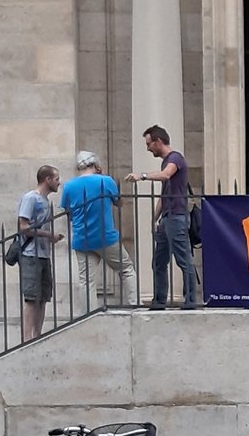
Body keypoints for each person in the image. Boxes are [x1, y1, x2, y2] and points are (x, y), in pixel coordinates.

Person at [124, 125, 200, 310]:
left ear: (158, 142)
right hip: (168, 218)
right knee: (159, 262)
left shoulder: (175, 158)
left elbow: (166, 176)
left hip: (177, 216)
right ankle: (159, 301)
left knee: (183, 259)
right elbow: (163, 195)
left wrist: (142, 176)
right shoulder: (166, 161)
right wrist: (155, 219)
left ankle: (190, 299)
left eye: (149, 144)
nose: (148, 148)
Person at [61, 151, 138, 312]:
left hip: (82, 238)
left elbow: (68, 212)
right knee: (126, 269)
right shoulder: (105, 181)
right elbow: (119, 203)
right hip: (105, 236)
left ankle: (89, 314)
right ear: (95, 165)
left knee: (86, 280)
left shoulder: (69, 186)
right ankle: (134, 304)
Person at [17, 165, 64, 341]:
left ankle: (37, 335)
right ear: (47, 179)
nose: (59, 183)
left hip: (44, 254)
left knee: (43, 297)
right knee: (31, 298)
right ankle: (27, 338)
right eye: (56, 179)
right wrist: (49, 235)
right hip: (31, 254)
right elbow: (23, 227)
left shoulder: (46, 201)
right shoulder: (31, 198)